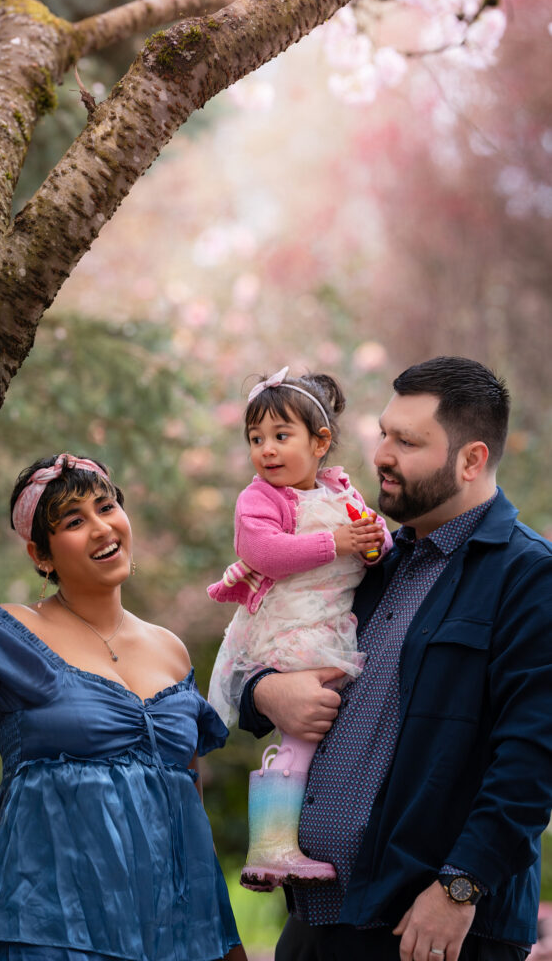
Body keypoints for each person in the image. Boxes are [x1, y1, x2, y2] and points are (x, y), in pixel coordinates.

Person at [0, 452, 246, 961]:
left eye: (106, 507)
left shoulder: (171, 650)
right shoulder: (13, 635)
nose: (100, 528)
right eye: (73, 521)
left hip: (175, 932)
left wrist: (224, 941)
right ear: (40, 555)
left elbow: (188, 796)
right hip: (54, 927)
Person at [238, 356, 552, 961]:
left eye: (407, 441)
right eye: (383, 432)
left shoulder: (529, 575)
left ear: (472, 459)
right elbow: (274, 639)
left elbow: (533, 758)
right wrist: (263, 692)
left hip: (429, 931)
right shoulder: (365, 558)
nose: (381, 453)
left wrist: (460, 888)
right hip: (314, 924)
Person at [206, 367, 390, 890]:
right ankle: (270, 846)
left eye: (281, 436)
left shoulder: (340, 490)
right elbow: (262, 552)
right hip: (288, 628)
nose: (266, 449)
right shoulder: (259, 499)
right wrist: (338, 542)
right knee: (305, 726)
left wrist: (374, 542)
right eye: (255, 438)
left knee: (307, 735)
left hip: (326, 624)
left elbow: (376, 543)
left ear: (321, 442)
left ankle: (278, 846)